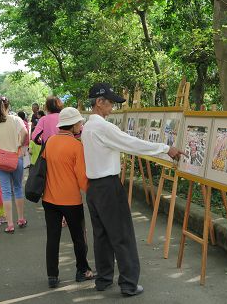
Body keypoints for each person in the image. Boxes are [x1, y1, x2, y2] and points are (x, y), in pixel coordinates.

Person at [81, 83, 184, 297]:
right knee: (122, 235)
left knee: (102, 236)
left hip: (94, 188)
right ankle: (128, 283)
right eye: (110, 103)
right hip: (108, 186)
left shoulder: (88, 126)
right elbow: (132, 143)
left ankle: (103, 279)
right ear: (99, 102)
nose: (113, 108)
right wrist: (166, 149)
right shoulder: (101, 127)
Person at [42, 107, 95, 288]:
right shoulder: (76, 146)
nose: (81, 125)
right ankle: (82, 271)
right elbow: (82, 179)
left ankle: (52, 276)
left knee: (53, 238)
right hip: (71, 200)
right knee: (78, 238)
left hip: (49, 199)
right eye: (79, 122)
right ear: (73, 125)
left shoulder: (49, 142)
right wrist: (94, 194)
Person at [0, 96, 28, 233]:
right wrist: (19, 145)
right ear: (8, 106)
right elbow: (25, 133)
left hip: (0, 161)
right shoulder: (16, 119)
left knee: (6, 191)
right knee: (17, 188)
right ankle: (21, 218)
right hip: (16, 158)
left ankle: (10, 224)